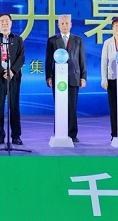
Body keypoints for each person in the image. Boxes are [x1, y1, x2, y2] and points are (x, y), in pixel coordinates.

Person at [45, 14, 87, 142]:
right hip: (57, 78)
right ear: (58, 25)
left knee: (72, 107)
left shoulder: (78, 40)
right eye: (62, 23)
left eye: (67, 23)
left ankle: (72, 134)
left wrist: (83, 77)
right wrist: (49, 77)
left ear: (71, 25)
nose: (64, 26)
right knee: (59, 106)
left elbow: (82, 60)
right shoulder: (52, 40)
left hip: (74, 77)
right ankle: (59, 131)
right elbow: (48, 60)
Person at [0, 13, 25, 145]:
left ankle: (16, 136)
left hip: (14, 77)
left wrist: (12, 71)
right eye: (2, 21)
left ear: (11, 23)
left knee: (14, 106)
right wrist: (2, 71)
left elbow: (21, 57)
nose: (4, 23)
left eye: (7, 21)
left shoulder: (18, 39)